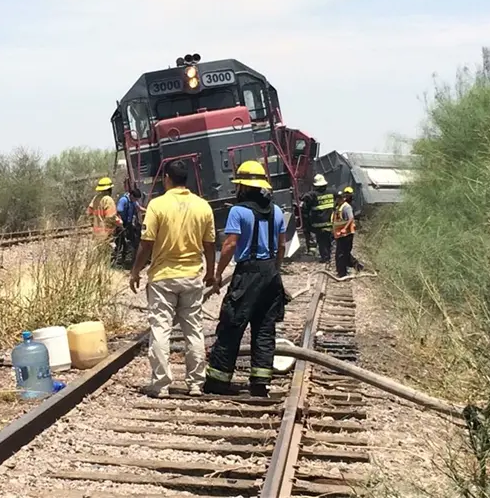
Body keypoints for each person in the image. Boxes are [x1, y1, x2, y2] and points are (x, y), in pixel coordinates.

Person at [129, 160, 216, 398]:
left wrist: (135, 271)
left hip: (163, 278)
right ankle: (196, 383)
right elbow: (210, 244)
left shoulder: (157, 205)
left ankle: (161, 385)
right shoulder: (203, 206)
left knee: (160, 330)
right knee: (194, 330)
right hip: (191, 276)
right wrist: (210, 272)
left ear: (167, 178)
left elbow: (146, 243)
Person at [203, 160, 288, 397]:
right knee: (264, 329)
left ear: (243, 187)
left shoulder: (238, 211)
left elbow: (230, 244)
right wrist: (275, 270)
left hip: (248, 272)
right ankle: (260, 383)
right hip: (270, 273)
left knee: (232, 324)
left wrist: (218, 273)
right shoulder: (277, 211)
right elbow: (282, 246)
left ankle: (218, 381)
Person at [300, 174, 335, 264]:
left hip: (319, 224)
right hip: (330, 222)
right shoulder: (331, 192)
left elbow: (304, 200)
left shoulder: (313, 195)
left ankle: (325, 258)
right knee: (327, 240)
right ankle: (328, 256)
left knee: (322, 241)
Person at [333, 187, 363, 278]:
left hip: (347, 235)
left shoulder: (346, 207)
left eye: (340, 198)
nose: (339, 200)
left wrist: (344, 228)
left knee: (342, 254)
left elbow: (351, 218)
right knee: (342, 254)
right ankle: (354, 268)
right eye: (337, 198)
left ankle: (342, 273)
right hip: (340, 235)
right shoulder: (338, 207)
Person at [86, 177, 122, 247]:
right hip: (107, 235)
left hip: (97, 234)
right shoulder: (108, 200)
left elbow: (89, 213)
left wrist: (94, 224)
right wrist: (120, 223)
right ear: (109, 189)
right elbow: (111, 217)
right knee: (110, 252)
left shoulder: (95, 198)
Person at [114, 186, 142, 267]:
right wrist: (120, 225)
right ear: (132, 195)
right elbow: (118, 212)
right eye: (135, 199)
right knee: (121, 243)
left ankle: (128, 261)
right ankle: (118, 262)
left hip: (128, 224)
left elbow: (139, 208)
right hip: (121, 225)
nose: (136, 201)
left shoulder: (133, 201)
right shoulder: (123, 200)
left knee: (131, 242)